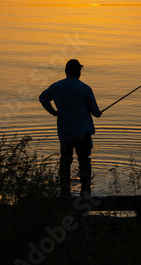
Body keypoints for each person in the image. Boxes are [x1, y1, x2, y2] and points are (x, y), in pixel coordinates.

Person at [39, 59, 102, 197]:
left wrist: (53, 112)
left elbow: (43, 98)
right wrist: (99, 113)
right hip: (82, 134)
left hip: (65, 133)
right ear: (79, 72)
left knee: (65, 160)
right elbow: (95, 112)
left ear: (66, 71)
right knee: (84, 161)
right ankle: (85, 192)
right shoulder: (85, 88)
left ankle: (64, 191)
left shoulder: (57, 86)